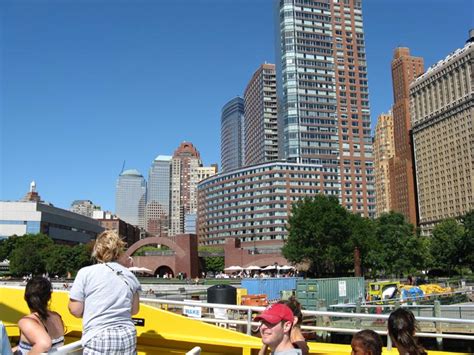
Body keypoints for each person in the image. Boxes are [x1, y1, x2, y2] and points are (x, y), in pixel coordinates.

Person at [68, 230, 141, 354]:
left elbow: (75, 309)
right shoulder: (130, 275)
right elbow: (134, 310)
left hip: (99, 335)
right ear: (118, 251)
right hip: (128, 335)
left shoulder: (86, 273)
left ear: (97, 250)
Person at [13, 277, 64, 354]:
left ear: (25, 297)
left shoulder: (27, 322)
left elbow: (44, 344)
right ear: (49, 297)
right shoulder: (57, 317)